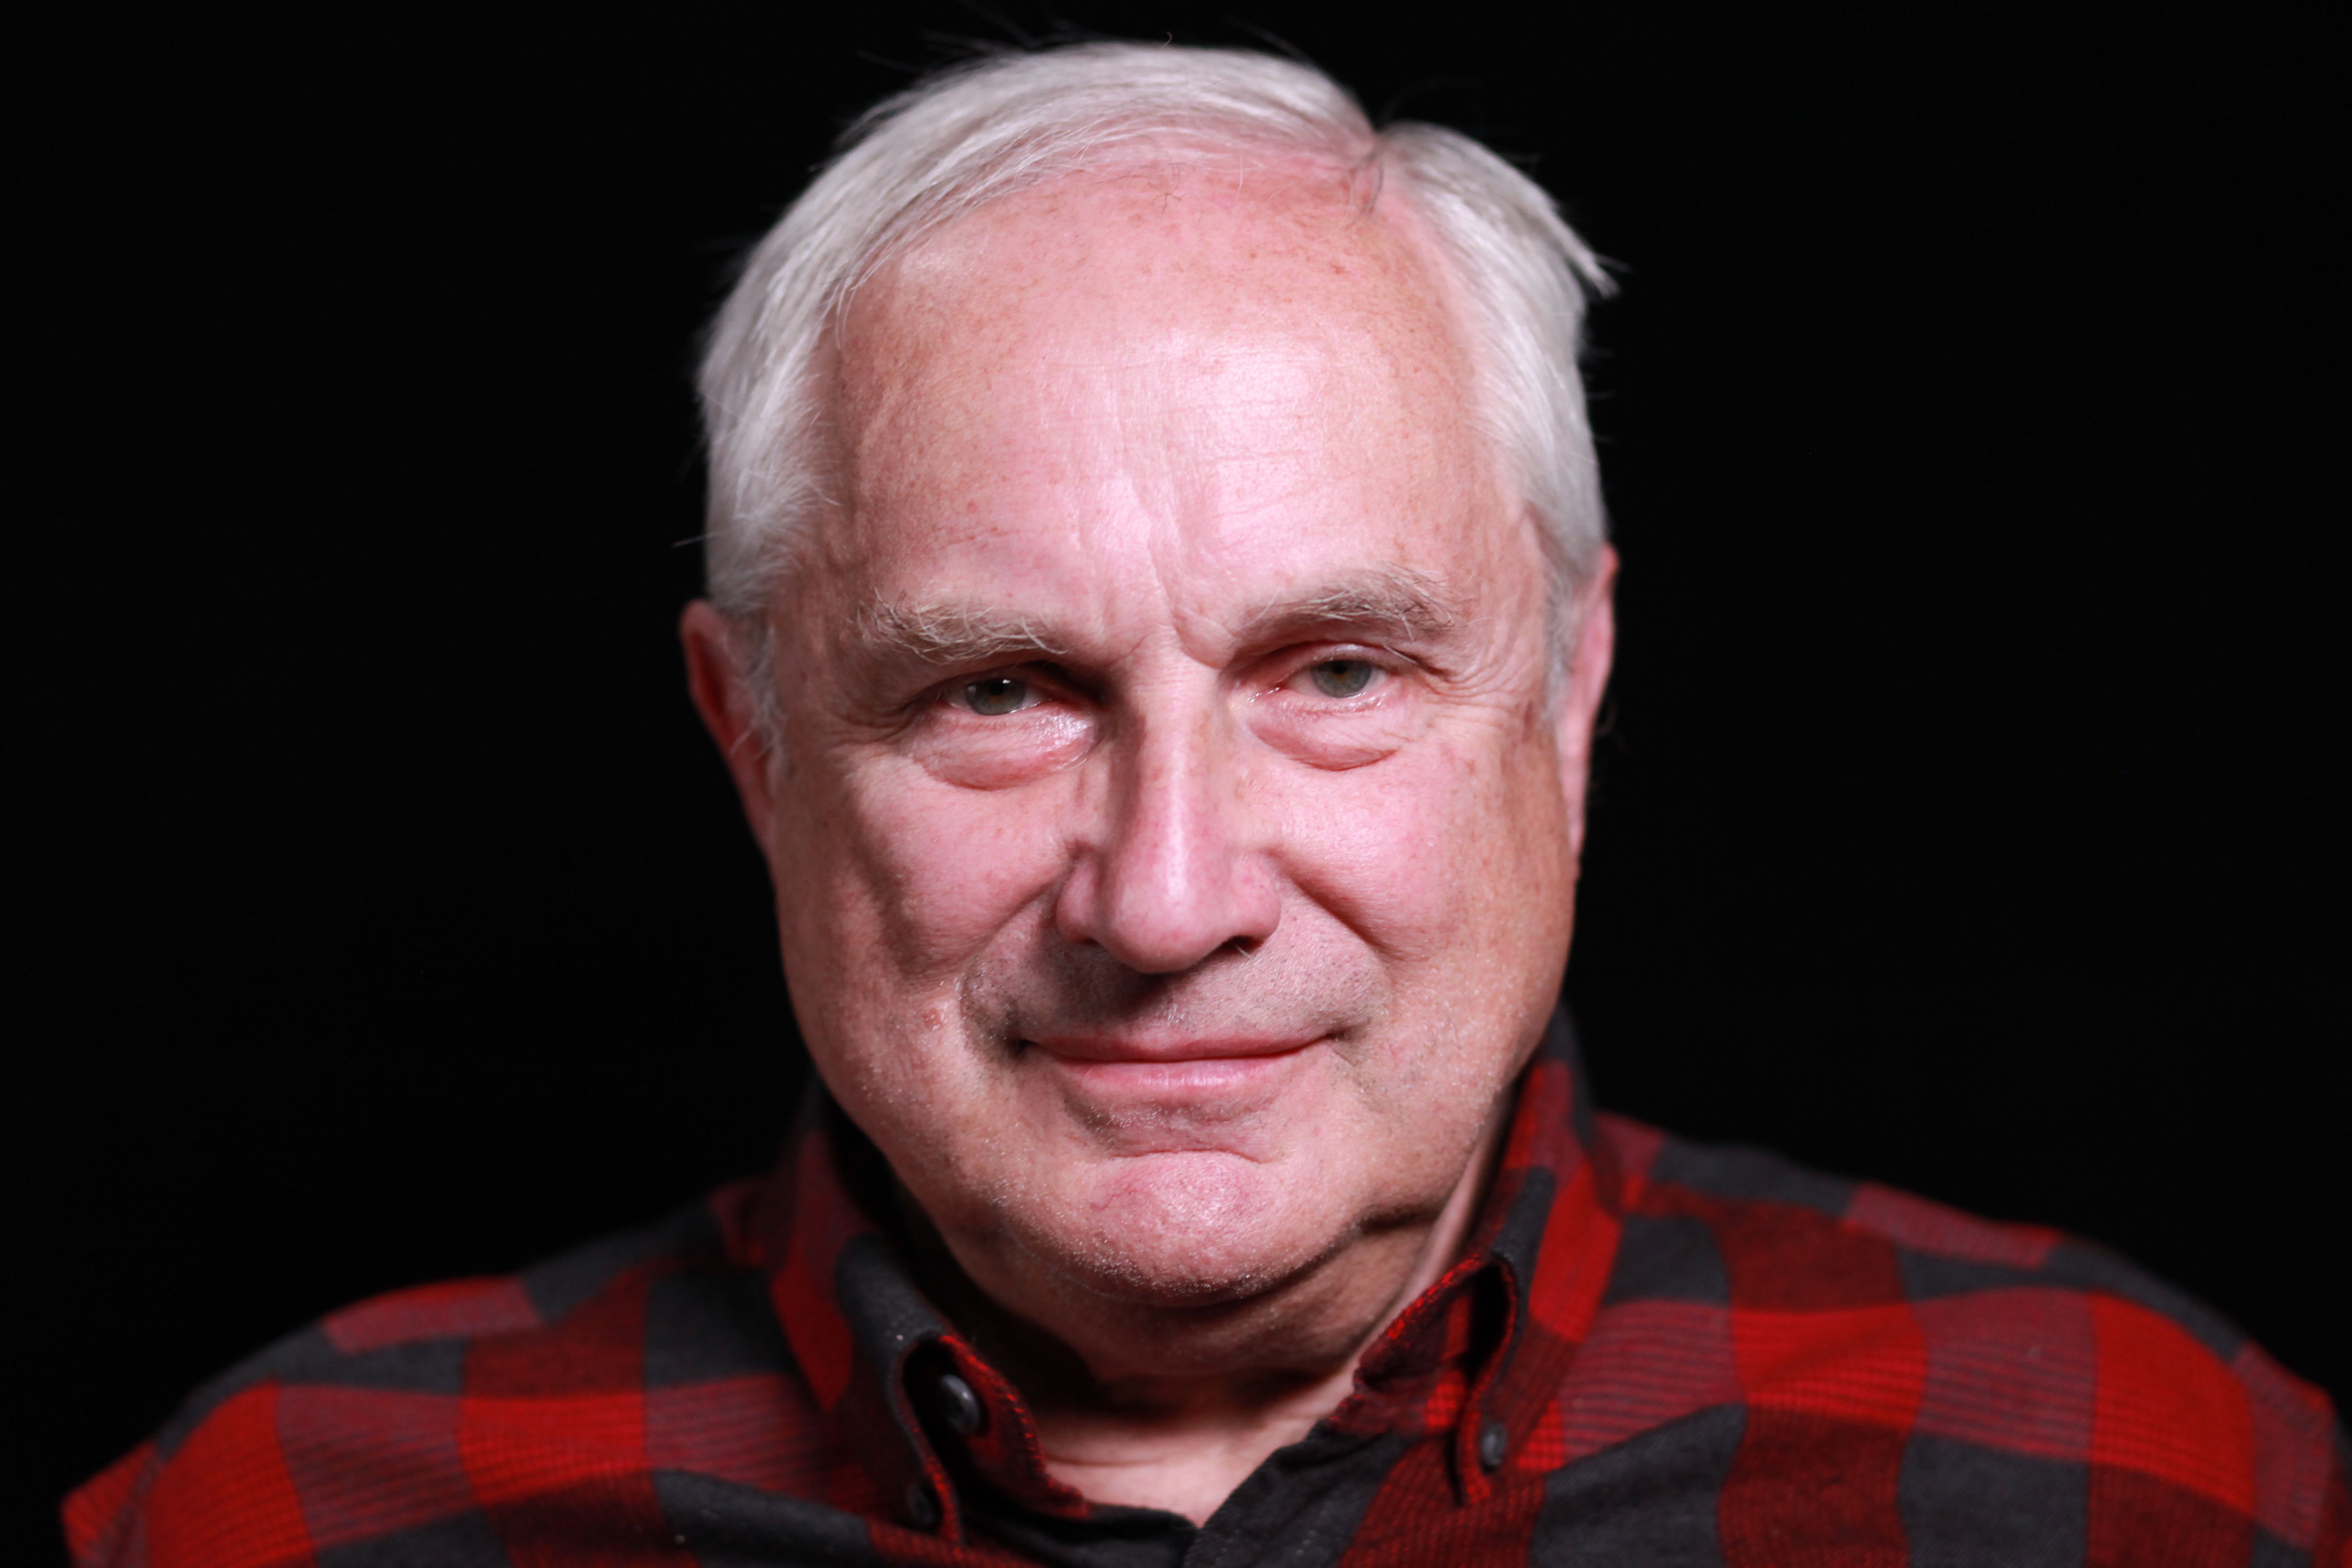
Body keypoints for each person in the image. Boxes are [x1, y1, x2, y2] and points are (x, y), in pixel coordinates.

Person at [64, 42, 2346, 1568]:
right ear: (751, 742)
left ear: (1570, 696)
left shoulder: (2150, 1483)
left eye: (1335, 673)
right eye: (1001, 692)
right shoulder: (275, 1519)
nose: (1167, 901)